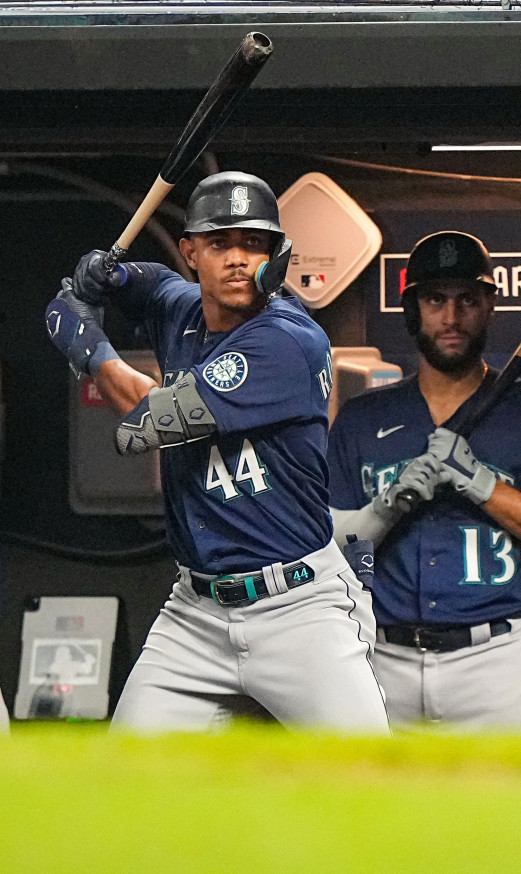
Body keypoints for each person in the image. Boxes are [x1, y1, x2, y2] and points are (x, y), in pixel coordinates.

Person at [45, 171, 389, 734]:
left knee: (373, 782)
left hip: (300, 607)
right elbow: (156, 286)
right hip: (196, 613)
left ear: (277, 255)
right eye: (220, 242)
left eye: (253, 243)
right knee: (122, 790)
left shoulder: (288, 342)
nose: (237, 259)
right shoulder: (183, 311)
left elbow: (148, 423)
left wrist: (85, 345)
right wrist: (112, 274)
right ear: (191, 252)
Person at [327, 230, 521, 731]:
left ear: (489, 305)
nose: (450, 318)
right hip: (382, 655)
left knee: (509, 809)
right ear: (412, 308)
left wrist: (482, 484)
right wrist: (386, 507)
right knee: (377, 809)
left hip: (495, 662)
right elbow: (328, 546)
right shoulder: (362, 420)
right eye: (435, 300)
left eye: (466, 300)